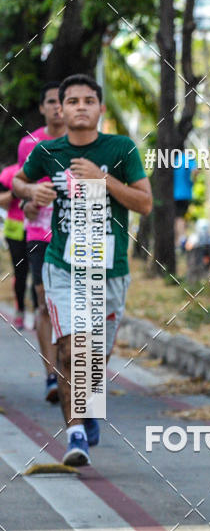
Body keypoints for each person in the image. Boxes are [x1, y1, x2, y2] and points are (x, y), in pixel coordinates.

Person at [13, 74, 152, 466]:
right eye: (71, 101)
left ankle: (87, 408)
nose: (79, 107)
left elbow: (144, 203)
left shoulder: (121, 148)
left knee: (94, 360)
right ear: (60, 108)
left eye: (88, 100)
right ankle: (74, 433)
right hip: (62, 266)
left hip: (110, 271)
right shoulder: (47, 150)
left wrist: (104, 179)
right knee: (71, 349)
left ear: (100, 108)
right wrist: (32, 194)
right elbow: (21, 183)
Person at [17, 82, 66, 402]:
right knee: (45, 301)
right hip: (39, 234)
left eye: (64, 101)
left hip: (78, 235)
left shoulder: (86, 143)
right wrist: (29, 201)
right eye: (52, 101)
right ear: (43, 107)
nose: (58, 107)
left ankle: (71, 373)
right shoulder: (29, 143)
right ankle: (52, 376)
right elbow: (22, 188)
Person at [0, 162, 32, 330]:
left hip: (37, 229)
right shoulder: (9, 173)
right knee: (20, 273)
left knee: (38, 274)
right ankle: (20, 311)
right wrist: (15, 192)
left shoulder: (42, 167)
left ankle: (40, 314)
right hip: (15, 231)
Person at [173, 151, 197, 249]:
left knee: (174, 219)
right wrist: (192, 182)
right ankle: (180, 242)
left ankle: (177, 242)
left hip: (170, 194)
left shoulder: (170, 157)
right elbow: (195, 171)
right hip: (184, 193)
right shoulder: (188, 158)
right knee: (180, 218)